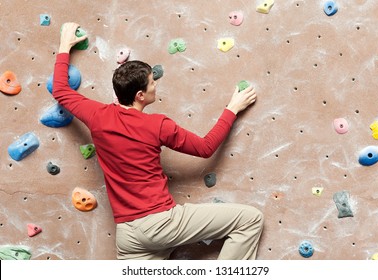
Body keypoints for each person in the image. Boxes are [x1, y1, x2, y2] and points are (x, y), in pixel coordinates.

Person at [53, 22, 264, 260]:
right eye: (153, 81)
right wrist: (232, 108)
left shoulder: (96, 115)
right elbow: (206, 148)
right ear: (140, 95)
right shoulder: (157, 125)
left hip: (128, 235)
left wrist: (64, 45)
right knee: (250, 219)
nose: (156, 85)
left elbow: (60, 89)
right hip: (161, 224)